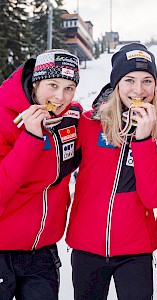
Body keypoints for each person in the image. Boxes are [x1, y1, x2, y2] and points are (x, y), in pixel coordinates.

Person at [66, 42, 157, 300]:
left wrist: (142, 141)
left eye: (147, 81)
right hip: (86, 248)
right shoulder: (89, 123)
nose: (138, 90)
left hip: (135, 253)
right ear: (116, 83)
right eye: (129, 80)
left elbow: (155, 198)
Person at [0, 49, 81, 299]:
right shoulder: (3, 116)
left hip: (42, 251)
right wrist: (31, 137)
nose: (60, 97)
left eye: (69, 87)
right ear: (35, 82)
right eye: (53, 85)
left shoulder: (71, 117)